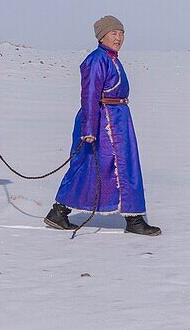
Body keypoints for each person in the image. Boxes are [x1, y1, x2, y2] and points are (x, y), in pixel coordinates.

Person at [44, 15, 161, 236]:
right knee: (95, 166)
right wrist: (89, 129)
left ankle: (60, 212)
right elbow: (89, 95)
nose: (118, 38)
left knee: (115, 167)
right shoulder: (97, 60)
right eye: (114, 33)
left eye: (121, 33)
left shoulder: (112, 58)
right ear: (102, 36)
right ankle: (132, 220)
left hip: (117, 120)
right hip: (103, 122)